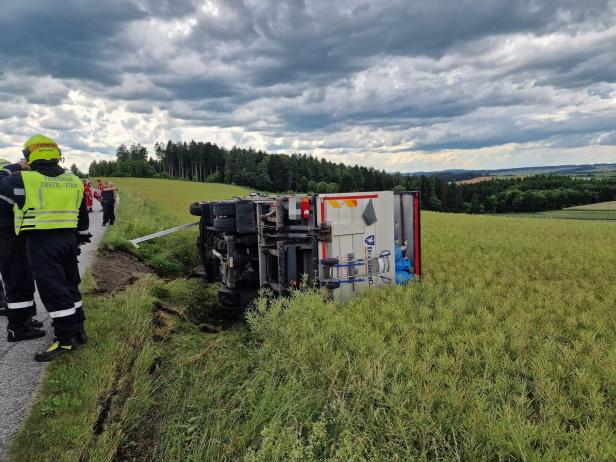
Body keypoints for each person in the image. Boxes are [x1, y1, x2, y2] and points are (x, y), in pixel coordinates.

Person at [0, 136, 91, 361]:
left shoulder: (22, 180)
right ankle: (78, 328)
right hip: (68, 241)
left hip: (41, 242)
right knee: (71, 285)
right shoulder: (73, 180)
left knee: (53, 291)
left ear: (30, 155)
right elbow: (82, 215)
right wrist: (79, 237)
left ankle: (65, 340)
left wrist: (13, 167)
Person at [0, 157, 45, 340]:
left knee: (24, 280)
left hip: (15, 236)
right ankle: (17, 329)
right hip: (5, 236)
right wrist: (17, 166)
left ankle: (25, 319)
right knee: (17, 281)